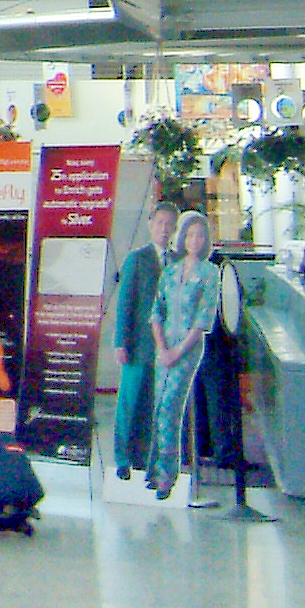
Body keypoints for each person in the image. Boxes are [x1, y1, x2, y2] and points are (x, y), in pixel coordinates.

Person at [152, 211, 242, 507]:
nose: (194, 240)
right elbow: (157, 311)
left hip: (188, 350)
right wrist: (162, 347)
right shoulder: (170, 271)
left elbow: (203, 320)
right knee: (157, 409)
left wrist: (177, 351)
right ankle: (156, 471)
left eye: (200, 236)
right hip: (164, 347)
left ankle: (168, 475)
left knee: (170, 409)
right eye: (189, 235)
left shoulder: (210, 273)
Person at [109, 202, 173, 489]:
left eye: (169, 224)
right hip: (137, 345)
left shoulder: (177, 261)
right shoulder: (138, 259)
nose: (164, 229)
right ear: (151, 224)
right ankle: (122, 460)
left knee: (153, 406)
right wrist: (120, 341)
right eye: (160, 223)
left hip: (165, 348)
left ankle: (144, 460)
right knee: (129, 403)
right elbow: (126, 303)